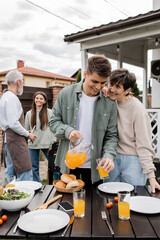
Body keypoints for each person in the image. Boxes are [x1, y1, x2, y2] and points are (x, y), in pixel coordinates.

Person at [49, 54, 118, 189]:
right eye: (95, 81)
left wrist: (109, 155)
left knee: (95, 208)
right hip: (68, 165)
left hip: (95, 168)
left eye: (103, 83)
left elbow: (112, 135)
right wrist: (68, 131)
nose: (98, 87)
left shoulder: (109, 102)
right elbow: (53, 122)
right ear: (85, 74)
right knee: (67, 207)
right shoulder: (65, 93)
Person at [102, 68, 160, 193]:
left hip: (133, 160)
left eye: (118, 87)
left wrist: (151, 176)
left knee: (132, 198)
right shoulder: (109, 101)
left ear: (128, 90)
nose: (112, 89)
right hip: (112, 157)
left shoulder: (138, 110)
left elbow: (144, 144)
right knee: (109, 196)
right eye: (111, 84)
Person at [0, 70, 37, 186]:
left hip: (9, 139)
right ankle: (25, 200)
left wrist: (25, 131)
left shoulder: (5, 96)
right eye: (22, 82)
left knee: (10, 171)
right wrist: (28, 134)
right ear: (18, 82)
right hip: (15, 140)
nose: (22, 85)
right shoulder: (11, 98)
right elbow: (13, 123)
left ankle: (5, 199)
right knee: (25, 171)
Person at [25, 91, 60, 183]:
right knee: (34, 168)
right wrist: (28, 132)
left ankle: (59, 183)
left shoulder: (50, 112)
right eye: (37, 98)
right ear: (34, 100)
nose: (38, 100)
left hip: (47, 144)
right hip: (33, 144)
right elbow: (26, 129)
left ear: (45, 101)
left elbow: (53, 129)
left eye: (41, 98)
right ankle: (38, 186)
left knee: (54, 166)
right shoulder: (29, 114)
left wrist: (52, 144)